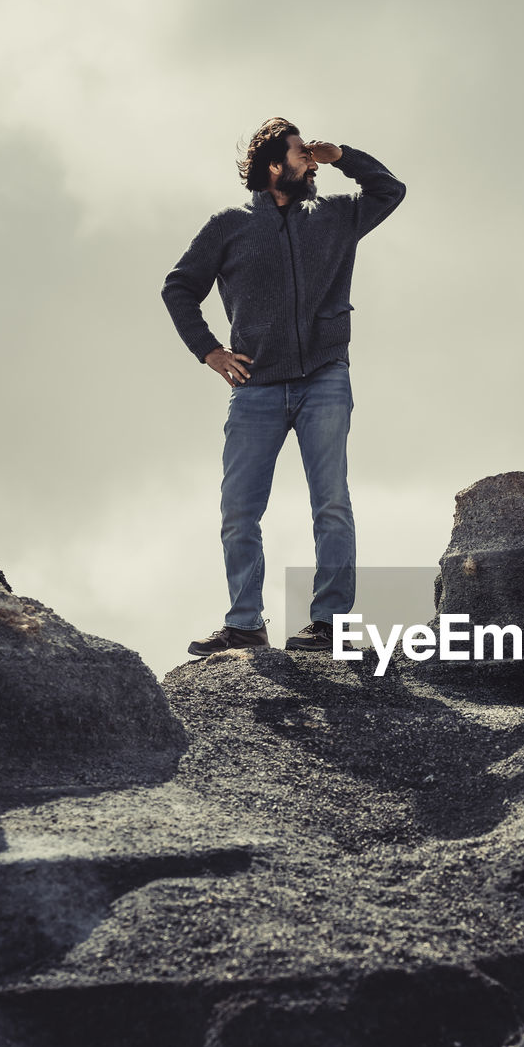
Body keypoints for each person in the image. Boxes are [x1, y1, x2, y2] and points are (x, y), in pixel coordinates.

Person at [161, 117, 405, 655]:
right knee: (239, 510)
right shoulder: (228, 226)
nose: (311, 160)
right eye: (302, 154)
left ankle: (330, 625)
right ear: (275, 167)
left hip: (325, 377)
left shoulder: (337, 216)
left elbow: (391, 190)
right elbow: (178, 288)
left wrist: (341, 154)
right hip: (256, 389)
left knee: (332, 505)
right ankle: (245, 623)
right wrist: (210, 352)